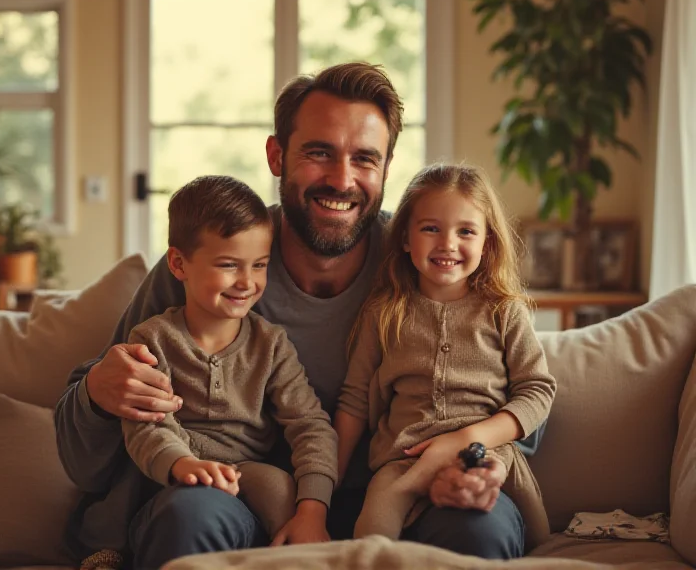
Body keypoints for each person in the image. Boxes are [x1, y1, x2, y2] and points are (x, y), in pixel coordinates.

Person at [55, 62, 537, 569]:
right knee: (188, 515)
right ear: (276, 155)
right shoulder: (207, 266)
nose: (342, 179)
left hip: (408, 489)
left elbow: (521, 394)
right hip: (240, 495)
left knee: (482, 525)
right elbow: (85, 454)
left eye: (365, 159)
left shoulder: (429, 263)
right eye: (319, 152)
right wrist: (97, 394)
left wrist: (474, 459)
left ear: (386, 171)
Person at [334, 163, 557, 552]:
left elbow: (537, 390)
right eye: (431, 228)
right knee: (369, 538)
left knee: (538, 540)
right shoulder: (384, 313)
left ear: (486, 243)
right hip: (402, 460)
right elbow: (354, 399)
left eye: (466, 231)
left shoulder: (504, 312)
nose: (448, 244)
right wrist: (328, 480)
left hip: (482, 453)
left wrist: (469, 437)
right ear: (405, 238)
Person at [120, 175, 337, 550]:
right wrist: (183, 465)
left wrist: (312, 509)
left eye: (259, 265)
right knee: (182, 512)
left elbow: (310, 426)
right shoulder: (152, 340)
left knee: (278, 486)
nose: (246, 282)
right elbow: (146, 427)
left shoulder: (270, 344)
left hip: (248, 480)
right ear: (178, 263)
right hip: (178, 480)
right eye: (228, 265)